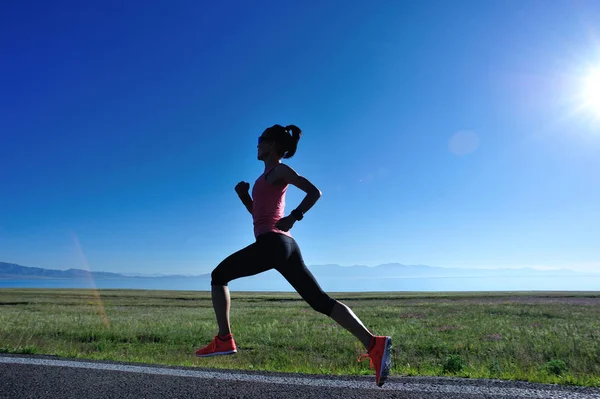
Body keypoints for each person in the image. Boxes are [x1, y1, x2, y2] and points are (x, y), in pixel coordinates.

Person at [195, 124, 393, 387]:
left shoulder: (280, 170)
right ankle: (374, 344)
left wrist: (294, 216)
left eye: (260, 140)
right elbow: (260, 216)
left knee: (219, 275)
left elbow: (314, 192)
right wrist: (245, 198)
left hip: (274, 243)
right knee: (320, 302)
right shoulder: (262, 180)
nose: (256, 145)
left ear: (272, 145)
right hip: (281, 245)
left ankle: (224, 339)